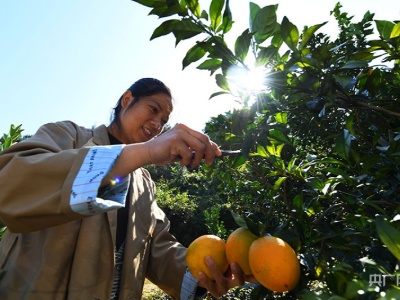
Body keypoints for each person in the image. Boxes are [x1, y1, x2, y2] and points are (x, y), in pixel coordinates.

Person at [0, 78, 252, 300]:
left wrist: (206, 272)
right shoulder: (69, 137)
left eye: (164, 121)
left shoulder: (144, 183)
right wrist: (148, 151)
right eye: (153, 110)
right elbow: (10, 184)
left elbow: (157, 249)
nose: (157, 124)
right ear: (127, 99)